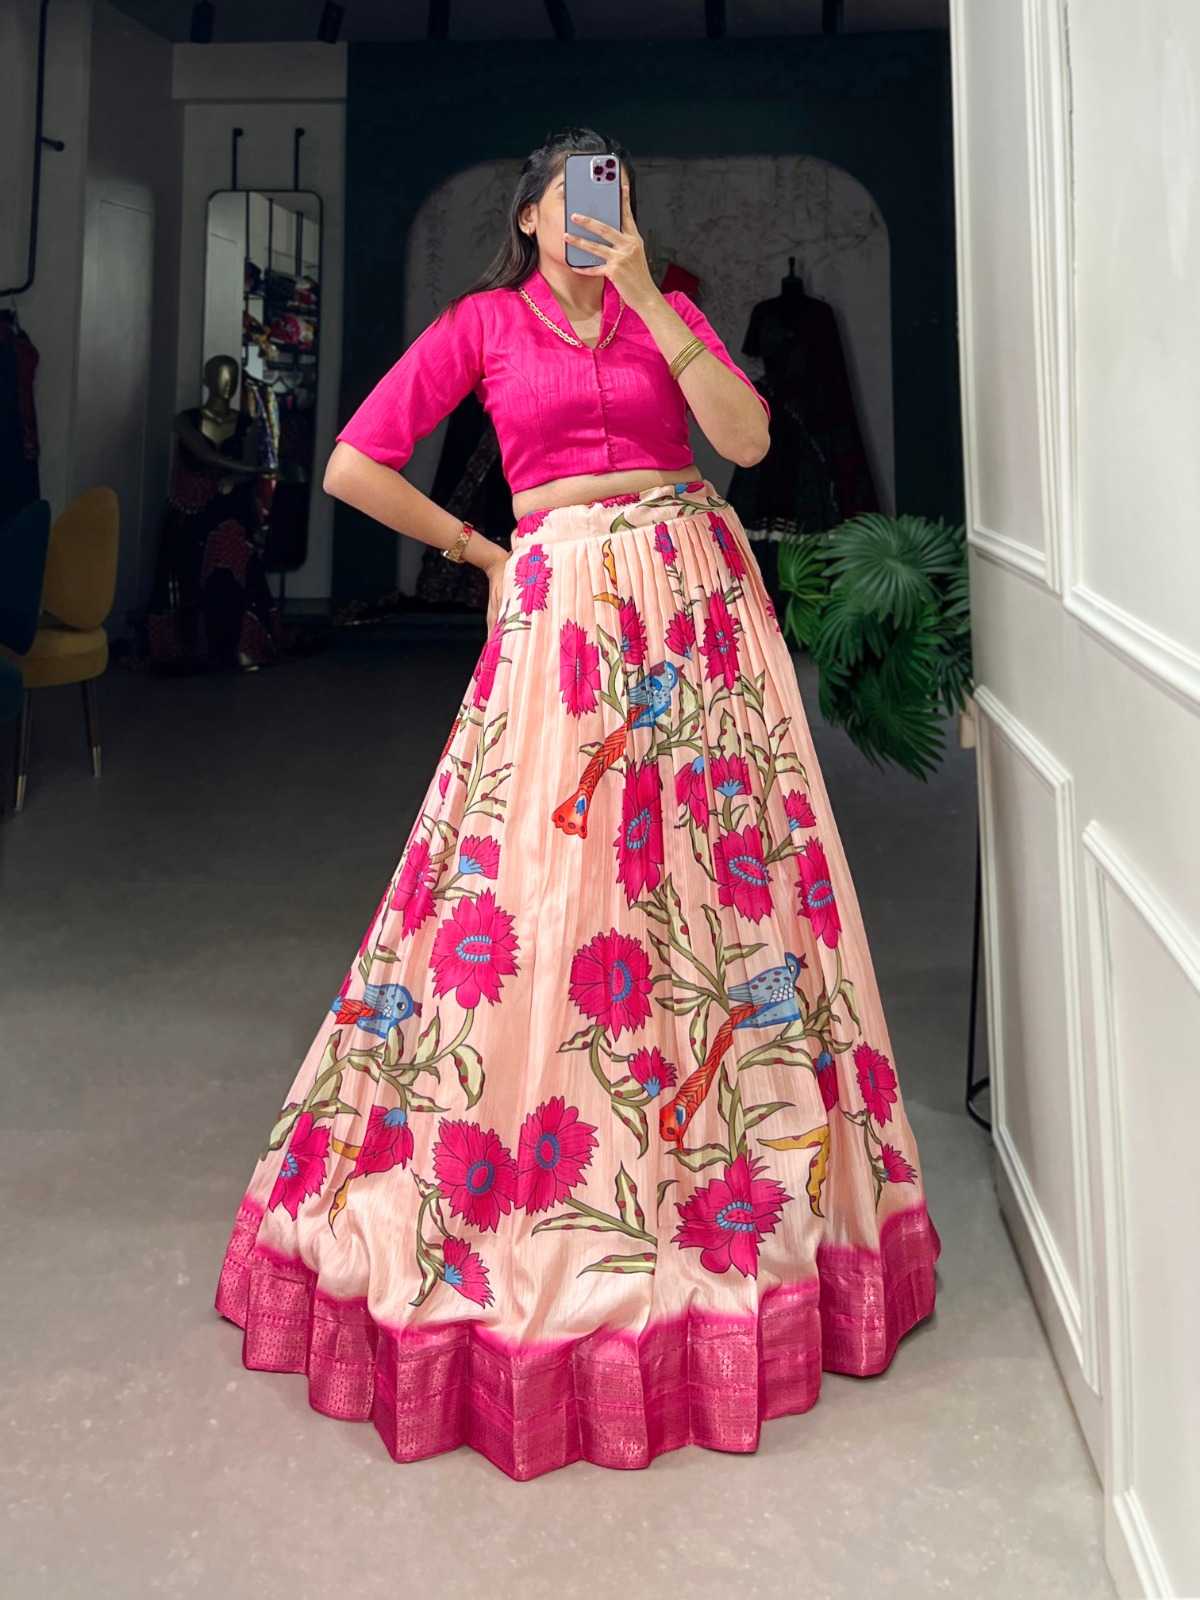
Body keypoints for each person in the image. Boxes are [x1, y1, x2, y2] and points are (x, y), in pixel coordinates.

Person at [213, 127, 942, 1480]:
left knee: (714, 898)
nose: (602, 212)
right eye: (578, 195)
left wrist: (659, 305)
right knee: (538, 883)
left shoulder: (673, 315)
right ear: (532, 218)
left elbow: (747, 440)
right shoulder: (483, 325)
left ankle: (723, 1179)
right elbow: (354, 462)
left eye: (619, 192)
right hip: (563, 614)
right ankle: (555, 1180)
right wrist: (482, 551)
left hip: (694, 613)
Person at [146, 356, 282, 674]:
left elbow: (246, 467)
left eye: (233, 376)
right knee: (187, 561)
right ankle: (186, 646)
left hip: (229, 508)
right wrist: (252, 470)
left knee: (233, 553)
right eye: (221, 376)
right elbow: (205, 454)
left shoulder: (247, 423)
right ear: (208, 379)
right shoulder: (186, 420)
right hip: (190, 507)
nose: (228, 383)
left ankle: (235, 645)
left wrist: (238, 478)